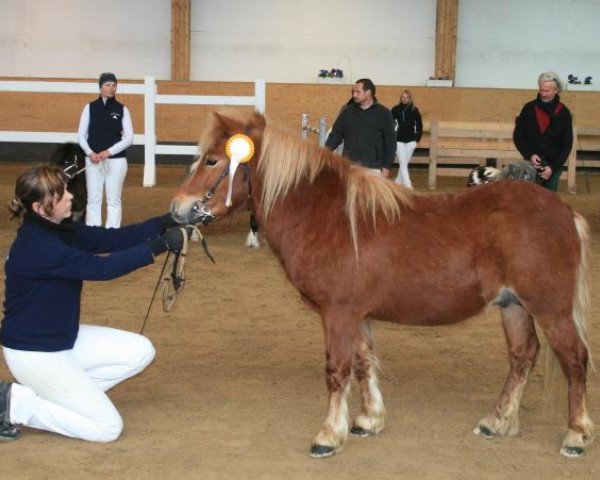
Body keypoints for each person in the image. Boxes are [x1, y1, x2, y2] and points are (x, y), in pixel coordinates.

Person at [0, 165, 188, 443]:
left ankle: (60, 398)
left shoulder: (61, 229)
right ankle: (14, 403)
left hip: (63, 340)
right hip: (36, 353)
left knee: (139, 351)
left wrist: (169, 220)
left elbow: (114, 239)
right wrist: (159, 246)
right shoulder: (38, 246)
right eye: (61, 194)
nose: (70, 196)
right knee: (107, 428)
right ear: (41, 208)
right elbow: (103, 269)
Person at [78, 72, 133, 228]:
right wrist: (90, 153)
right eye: (108, 85)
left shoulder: (122, 109)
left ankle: (112, 233)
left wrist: (109, 152)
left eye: (114, 85)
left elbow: (129, 138)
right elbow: (81, 135)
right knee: (94, 199)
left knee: (113, 199)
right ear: (100, 87)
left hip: (116, 161)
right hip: (93, 160)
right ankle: (93, 232)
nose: (111, 88)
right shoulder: (89, 108)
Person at [513, 71, 573, 192]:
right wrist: (529, 155)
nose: (543, 94)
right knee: (529, 200)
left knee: (549, 203)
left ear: (556, 90)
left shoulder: (564, 113)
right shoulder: (528, 109)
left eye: (547, 91)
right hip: (530, 164)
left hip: (553, 166)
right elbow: (518, 136)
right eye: (541, 90)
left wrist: (552, 168)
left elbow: (566, 145)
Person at [325, 79, 396, 177]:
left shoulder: (384, 113)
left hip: (374, 168)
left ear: (368, 92)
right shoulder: (347, 112)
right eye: (353, 92)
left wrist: (387, 167)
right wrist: (324, 155)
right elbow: (335, 136)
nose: (354, 95)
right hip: (350, 167)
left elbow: (390, 142)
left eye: (358, 92)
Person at [390, 90, 423, 188]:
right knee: (403, 163)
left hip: (411, 141)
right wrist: (393, 136)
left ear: (410, 99)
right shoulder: (395, 109)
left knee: (403, 164)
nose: (404, 99)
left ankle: (397, 183)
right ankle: (408, 186)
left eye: (407, 97)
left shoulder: (414, 110)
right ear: (401, 98)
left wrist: (417, 137)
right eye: (403, 97)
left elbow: (419, 125)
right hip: (399, 140)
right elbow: (391, 124)